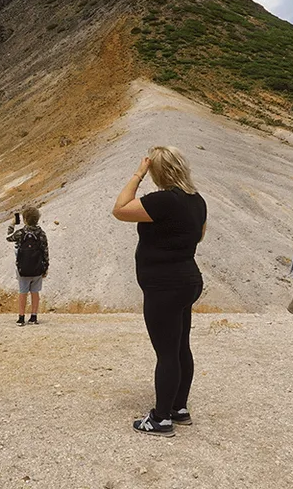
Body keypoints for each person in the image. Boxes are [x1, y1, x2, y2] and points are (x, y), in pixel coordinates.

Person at [112, 146, 207, 437]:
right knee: (180, 347)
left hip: (163, 285)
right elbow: (200, 235)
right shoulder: (196, 200)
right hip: (188, 279)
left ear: (158, 171)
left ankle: (161, 418)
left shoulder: (164, 200)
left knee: (166, 353)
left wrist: (137, 174)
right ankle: (179, 407)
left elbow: (120, 209)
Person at [6, 206, 49, 326]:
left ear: (24, 219)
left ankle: (21, 317)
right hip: (37, 269)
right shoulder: (41, 234)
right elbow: (45, 251)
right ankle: (33, 317)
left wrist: (12, 224)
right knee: (35, 292)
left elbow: (8, 238)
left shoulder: (21, 233)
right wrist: (45, 268)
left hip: (23, 269)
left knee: (23, 293)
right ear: (37, 219)